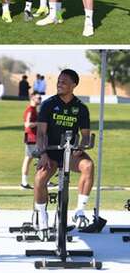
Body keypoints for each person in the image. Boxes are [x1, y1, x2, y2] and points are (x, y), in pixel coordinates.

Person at [32, 70, 94, 230]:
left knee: (88, 166)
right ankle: (41, 215)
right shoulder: (48, 104)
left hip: (70, 152)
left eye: (64, 82)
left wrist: (81, 146)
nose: (59, 84)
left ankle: (79, 211)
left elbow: (85, 136)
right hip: (51, 151)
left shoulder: (81, 108)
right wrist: (43, 154)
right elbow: (40, 134)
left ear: (73, 85)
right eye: (58, 81)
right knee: (40, 179)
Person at [21, 92, 42, 189]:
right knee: (31, 159)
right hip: (31, 138)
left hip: (34, 138)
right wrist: (39, 123)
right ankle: (24, 182)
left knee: (36, 159)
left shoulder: (34, 110)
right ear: (33, 98)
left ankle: (25, 182)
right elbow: (27, 124)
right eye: (38, 98)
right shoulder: (30, 110)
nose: (40, 100)